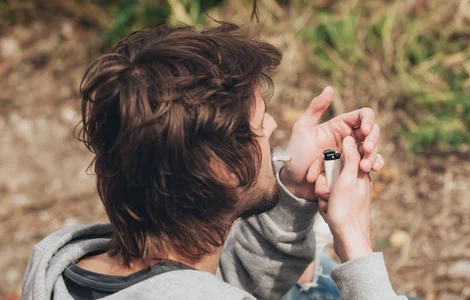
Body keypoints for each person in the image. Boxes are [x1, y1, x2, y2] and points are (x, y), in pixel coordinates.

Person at [20, 21, 404, 300]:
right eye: (258, 124)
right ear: (220, 171)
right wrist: (355, 241)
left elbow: (213, 283)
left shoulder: (68, 272)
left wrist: (293, 187)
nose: (271, 126)